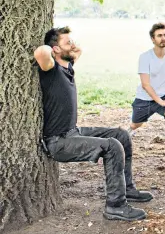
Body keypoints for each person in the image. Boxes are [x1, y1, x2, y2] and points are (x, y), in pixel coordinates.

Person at [34, 26, 153, 222]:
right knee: (112, 147)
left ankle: (127, 188)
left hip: (73, 132)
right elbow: (41, 52)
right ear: (55, 49)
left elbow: (76, 52)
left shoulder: (67, 67)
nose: (73, 45)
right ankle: (115, 206)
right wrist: (52, 47)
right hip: (58, 142)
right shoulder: (51, 70)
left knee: (120, 136)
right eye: (67, 42)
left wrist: (69, 48)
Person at [129, 22, 165, 166]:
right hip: (145, 98)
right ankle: (126, 133)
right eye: (159, 36)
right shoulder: (145, 57)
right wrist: (159, 102)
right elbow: (145, 84)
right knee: (136, 124)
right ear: (153, 39)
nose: (163, 38)